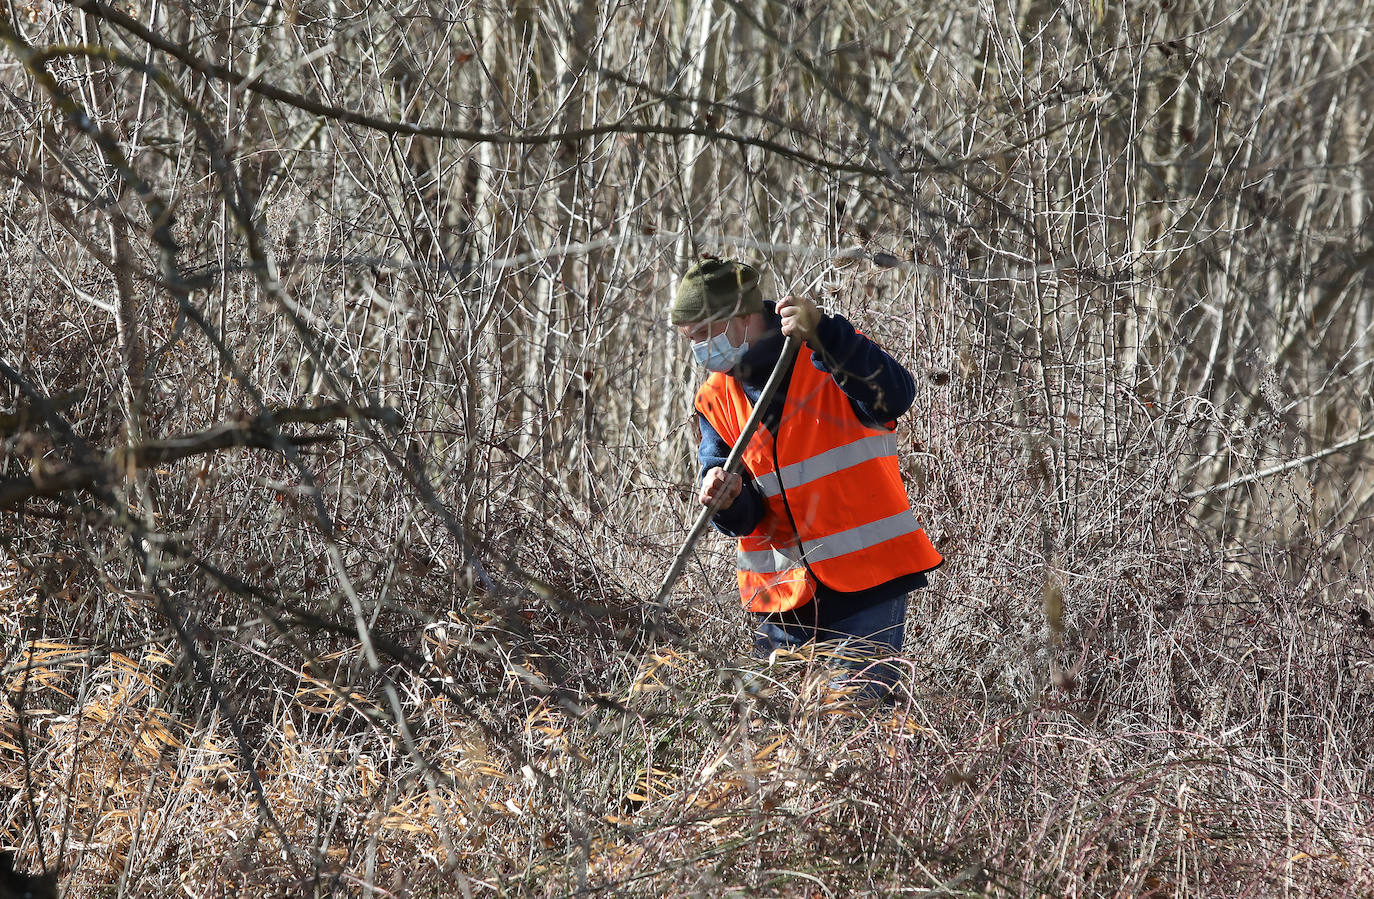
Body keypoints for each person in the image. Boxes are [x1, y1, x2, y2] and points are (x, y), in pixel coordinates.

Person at [671, 257, 944, 701]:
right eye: (691, 341)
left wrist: (828, 334)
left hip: (865, 588)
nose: (700, 351)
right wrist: (725, 497)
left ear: (741, 318)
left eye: (704, 335)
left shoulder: (827, 353)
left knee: (853, 740)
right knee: (776, 755)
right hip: (782, 606)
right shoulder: (714, 398)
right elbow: (741, 515)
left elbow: (896, 395)